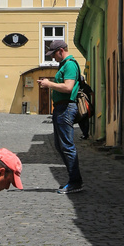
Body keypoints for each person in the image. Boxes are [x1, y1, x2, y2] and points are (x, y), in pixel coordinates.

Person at [38, 39, 83, 194]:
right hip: (60, 108)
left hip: (66, 108)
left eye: (53, 54)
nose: (52, 58)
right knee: (60, 145)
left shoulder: (70, 64)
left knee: (67, 146)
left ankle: (75, 181)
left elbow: (68, 87)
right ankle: (74, 179)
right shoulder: (64, 64)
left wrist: (49, 84)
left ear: (61, 51)